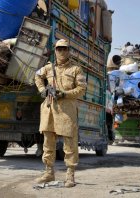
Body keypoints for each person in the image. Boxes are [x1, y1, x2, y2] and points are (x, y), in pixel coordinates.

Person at [34, 39, 87, 187]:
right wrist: (42, 90)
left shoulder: (76, 69)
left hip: (67, 111)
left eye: (64, 49)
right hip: (50, 110)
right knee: (48, 143)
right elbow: (37, 76)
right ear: (55, 50)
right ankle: (49, 173)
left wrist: (64, 94)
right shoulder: (48, 68)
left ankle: (70, 175)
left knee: (70, 144)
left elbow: (82, 89)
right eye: (59, 49)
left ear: (69, 50)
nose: (62, 52)